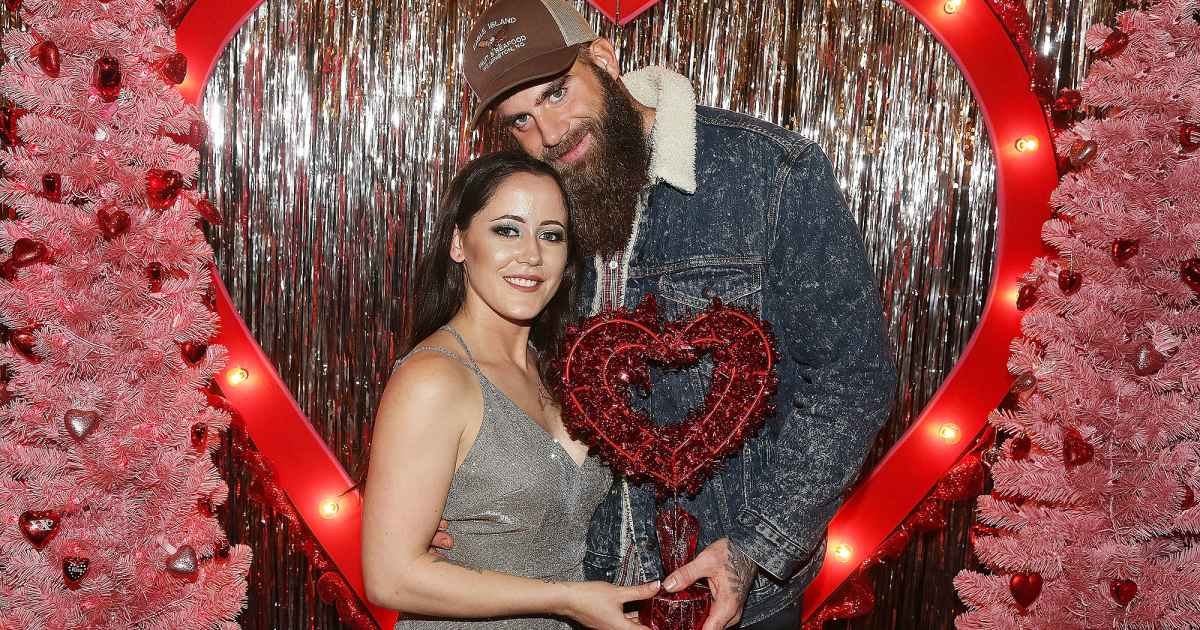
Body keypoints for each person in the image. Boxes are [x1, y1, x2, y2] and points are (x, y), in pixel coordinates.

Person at [443, 2, 900, 629]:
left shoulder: (768, 173)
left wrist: (756, 546)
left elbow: (854, 378)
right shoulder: (538, 205)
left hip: (733, 599)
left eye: (557, 93)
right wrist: (458, 492)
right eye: (521, 118)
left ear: (603, 59)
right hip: (575, 589)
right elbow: (505, 361)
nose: (549, 133)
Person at [361, 151, 661, 629]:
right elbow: (390, 578)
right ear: (459, 243)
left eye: (551, 235)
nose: (532, 255)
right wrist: (567, 599)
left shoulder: (559, 372)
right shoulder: (434, 379)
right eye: (507, 230)